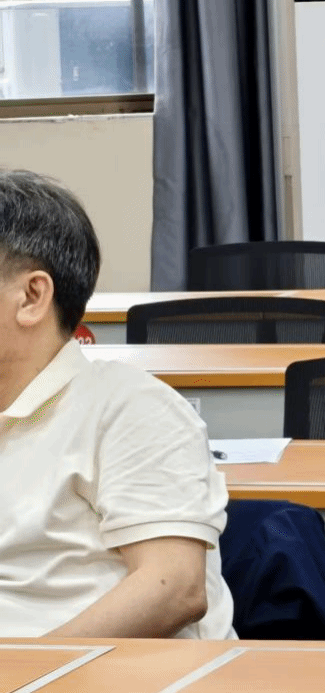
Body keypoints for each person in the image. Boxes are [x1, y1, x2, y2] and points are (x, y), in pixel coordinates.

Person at [0, 169, 234, 638]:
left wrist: (31, 670)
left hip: (93, 669)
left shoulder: (131, 408)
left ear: (32, 296)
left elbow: (175, 588)